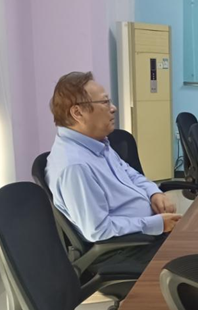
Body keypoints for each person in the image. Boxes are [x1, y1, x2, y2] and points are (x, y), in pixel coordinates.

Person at [46, 71, 181, 248]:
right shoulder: (75, 167)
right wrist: (156, 224)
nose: (113, 108)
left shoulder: (97, 143)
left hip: (148, 232)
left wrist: (153, 192)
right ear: (78, 112)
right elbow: (98, 230)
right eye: (105, 102)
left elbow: (130, 174)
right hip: (130, 248)